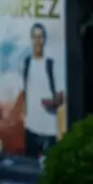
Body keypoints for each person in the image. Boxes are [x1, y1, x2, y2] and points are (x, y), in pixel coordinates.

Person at [22, 22, 65, 157]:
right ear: (31, 39)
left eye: (40, 37)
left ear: (45, 40)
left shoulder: (52, 65)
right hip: (30, 129)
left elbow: (60, 97)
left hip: (49, 130)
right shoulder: (26, 63)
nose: (38, 41)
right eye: (35, 37)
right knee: (29, 169)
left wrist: (51, 103)